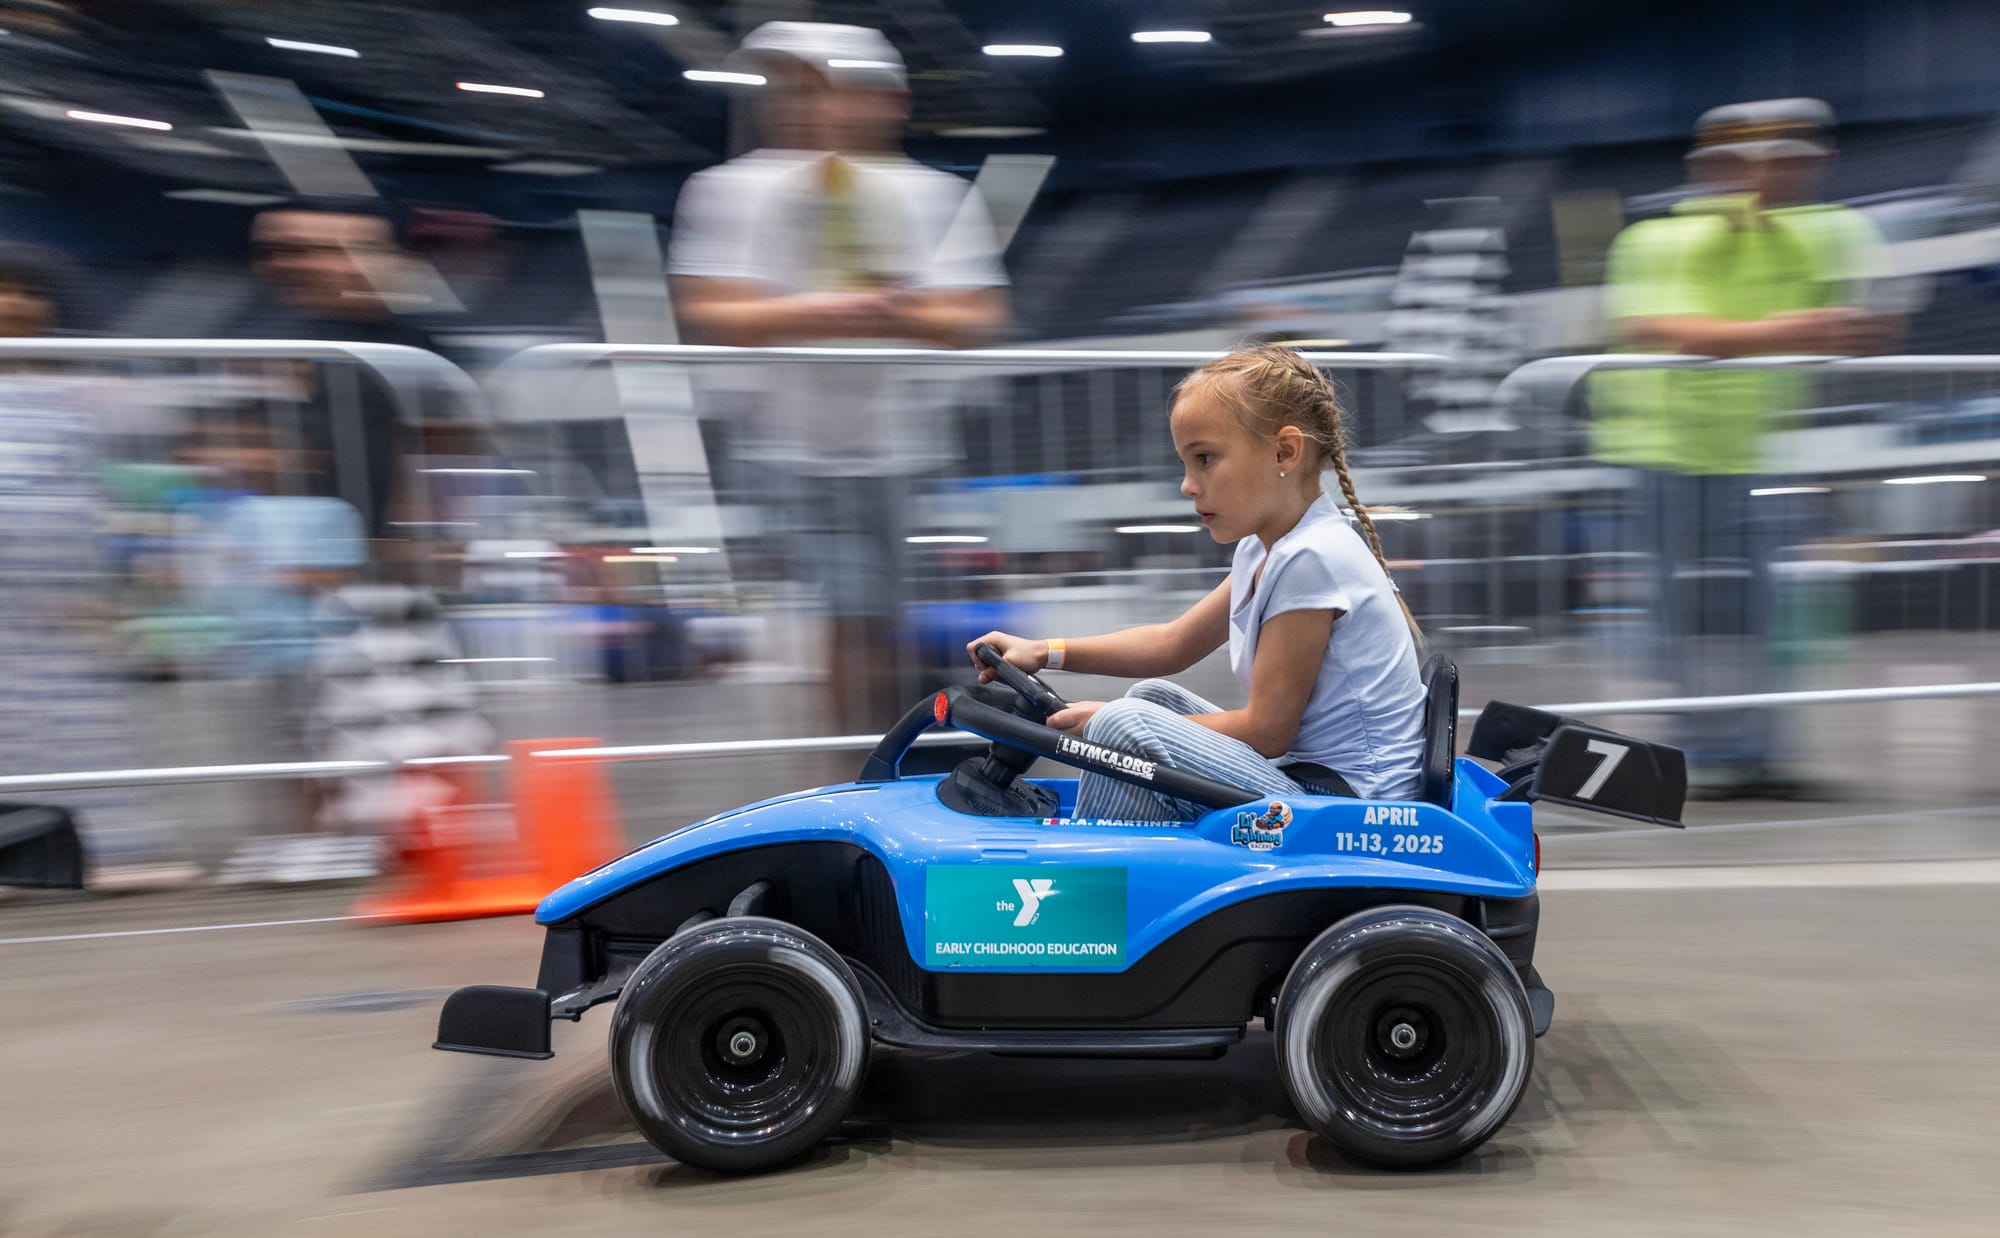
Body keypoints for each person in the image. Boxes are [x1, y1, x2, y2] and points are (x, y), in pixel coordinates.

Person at [669, 21, 1010, 735]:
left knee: (874, 621)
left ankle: (874, 752)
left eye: (830, 88)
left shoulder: (932, 196)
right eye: (796, 87)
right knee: (852, 615)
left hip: (902, 448)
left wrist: (886, 313)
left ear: (886, 100)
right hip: (786, 447)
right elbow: (707, 307)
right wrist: (831, 310)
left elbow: (975, 313)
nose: (815, 105)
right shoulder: (731, 190)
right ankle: (861, 761)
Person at [968, 347, 1425, 823]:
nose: (1187, 485)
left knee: (1125, 724)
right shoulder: (1266, 548)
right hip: (1313, 780)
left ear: (1284, 452)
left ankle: (1100, 882)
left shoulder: (1313, 558)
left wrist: (1107, 726)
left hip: (1358, 810)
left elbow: (1268, 732)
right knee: (1150, 699)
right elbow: (1173, 643)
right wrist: (1043, 651)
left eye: (1205, 458)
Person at [1592, 98, 1898, 799]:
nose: (1778, 175)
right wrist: (1800, 328)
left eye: (1796, 161)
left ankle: (1756, 754)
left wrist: (1846, 326)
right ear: (1721, 167)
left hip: (1755, 447)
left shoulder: (1818, 235)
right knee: (1672, 610)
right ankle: (1690, 754)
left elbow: (1855, 322)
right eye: (1763, 160)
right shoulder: (1660, 239)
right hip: (1661, 446)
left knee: (1774, 607)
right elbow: (1662, 326)